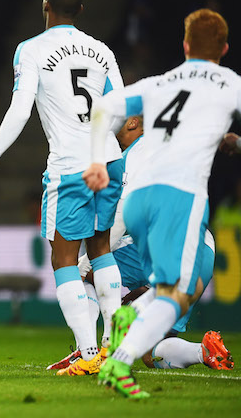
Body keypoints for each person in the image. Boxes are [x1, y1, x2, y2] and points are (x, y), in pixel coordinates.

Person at [0, 0, 125, 375]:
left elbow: (20, 109)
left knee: (64, 259)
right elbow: (122, 108)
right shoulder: (102, 50)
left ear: (45, 6)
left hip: (71, 167)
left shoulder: (32, 50)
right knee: (102, 247)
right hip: (109, 160)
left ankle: (89, 356)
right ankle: (112, 347)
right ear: (81, 11)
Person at [85, 8, 241, 398]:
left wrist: (95, 162)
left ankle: (131, 326)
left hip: (138, 201)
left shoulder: (162, 82)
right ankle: (121, 345)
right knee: (173, 297)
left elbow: (104, 108)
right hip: (180, 200)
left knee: (168, 295)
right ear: (224, 48)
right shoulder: (228, 83)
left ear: (186, 45)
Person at [49, 116, 232, 373]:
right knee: (152, 350)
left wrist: (88, 260)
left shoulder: (136, 154)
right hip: (202, 250)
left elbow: (121, 216)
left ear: (133, 122)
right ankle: (204, 351)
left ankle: (87, 353)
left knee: (81, 273)